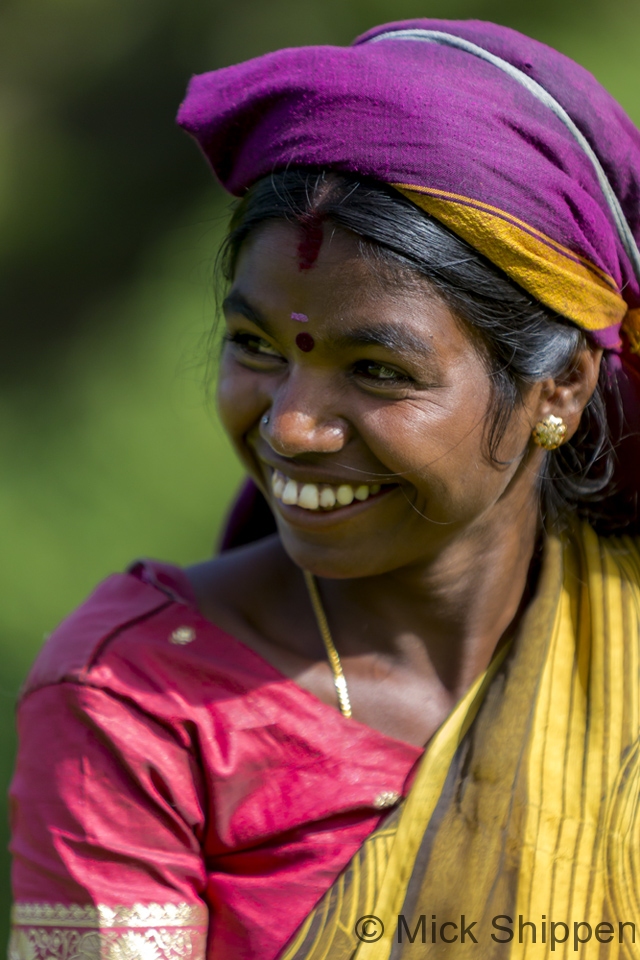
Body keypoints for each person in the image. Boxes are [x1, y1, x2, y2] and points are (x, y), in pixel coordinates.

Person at [9, 18, 640, 960]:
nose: (291, 427)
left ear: (561, 388)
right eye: (258, 349)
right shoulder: (146, 701)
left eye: (379, 370)